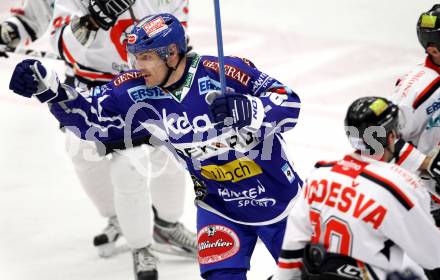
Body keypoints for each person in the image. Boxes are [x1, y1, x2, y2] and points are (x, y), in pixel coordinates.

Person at [8, 12, 303, 280]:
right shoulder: (134, 90)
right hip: (218, 207)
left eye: (146, 56)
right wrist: (49, 89)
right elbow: (89, 118)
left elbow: (289, 102)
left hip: (280, 201)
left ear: (172, 53)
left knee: (306, 274)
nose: (138, 65)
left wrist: (251, 110)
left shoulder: (223, 71)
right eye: (135, 56)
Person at [1, 0, 198, 261]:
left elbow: (176, 26)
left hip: (147, 80)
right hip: (89, 83)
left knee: (168, 149)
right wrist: (91, 19)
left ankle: (167, 225)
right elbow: (59, 41)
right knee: (83, 152)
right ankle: (119, 216)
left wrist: (174, 51)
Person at [273, 97, 440, 280]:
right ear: (392, 136)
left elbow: (292, 247)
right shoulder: (401, 185)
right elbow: (434, 256)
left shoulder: (319, 174)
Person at [390, 4, 440, 216]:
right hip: (425, 204)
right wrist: (423, 163)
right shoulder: (418, 89)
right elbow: (371, 137)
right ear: (433, 50)